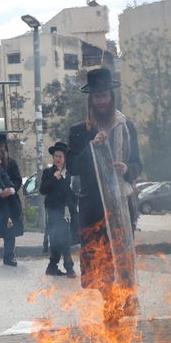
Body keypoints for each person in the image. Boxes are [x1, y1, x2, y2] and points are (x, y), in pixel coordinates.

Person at [66, 67, 143, 320]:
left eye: (104, 95)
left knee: (119, 261)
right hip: (92, 209)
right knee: (99, 266)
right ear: (91, 100)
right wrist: (92, 147)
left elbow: (138, 164)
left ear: (111, 96)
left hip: (121, 205)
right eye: (96, 96)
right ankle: (110, 304)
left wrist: (127, 167)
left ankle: (116, 306)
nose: (101, 100)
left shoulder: (126, 127)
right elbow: (72, 166)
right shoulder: (79, 130)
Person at [38, 142, 76, 277]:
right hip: (54, 210)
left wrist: (70, 205)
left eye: (60, 156)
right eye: (55, 156)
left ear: (65, 158)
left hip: (67, 212)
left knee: (62, 238)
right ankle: (69, 267)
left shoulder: (70, 174)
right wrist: (54, 178)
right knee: (60, 238)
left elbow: (72, 193)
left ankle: (52, 266)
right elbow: (43, 190)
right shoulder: (49, 172)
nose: (57, 159)